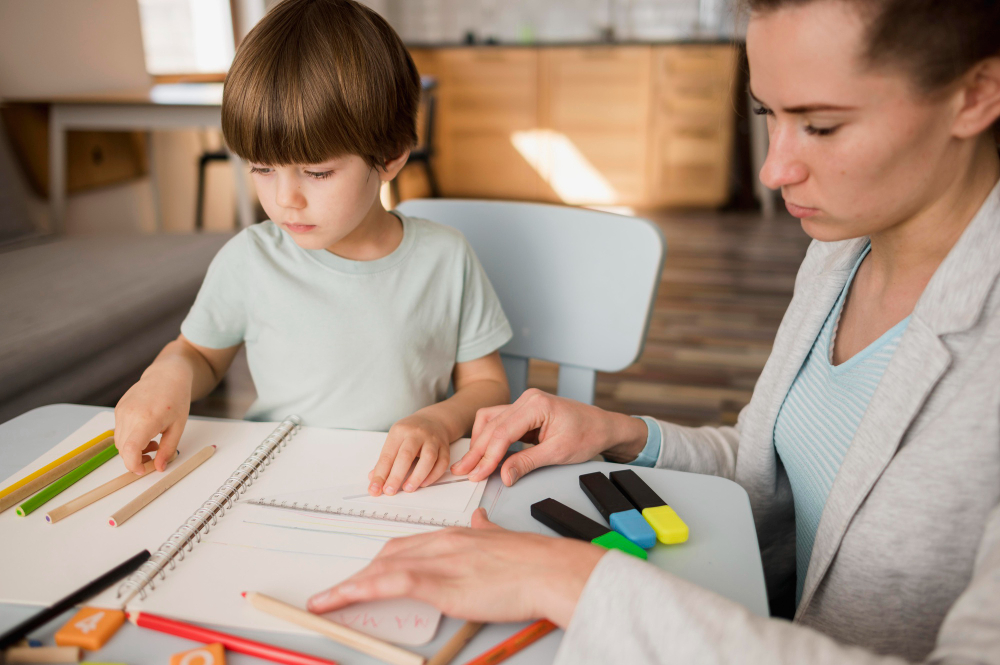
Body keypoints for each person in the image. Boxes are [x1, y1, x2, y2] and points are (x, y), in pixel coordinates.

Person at [306, 0, 1000, 662]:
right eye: (768, 114)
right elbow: (781, 470)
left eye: (819, 126)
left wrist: (572, 580)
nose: (773, 167)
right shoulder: (840, 253)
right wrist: (626, 434)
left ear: (976, 93)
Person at [112, 0, 513, 498]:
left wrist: (439, 421)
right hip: (280, 479)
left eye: (317, 172)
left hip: (408, 487)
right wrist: (168, 371)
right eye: (262, 168)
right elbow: (200, 356)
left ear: (389, 157)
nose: (285, 199)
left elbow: (488, 386)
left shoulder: (447, 258)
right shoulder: (250, 260)